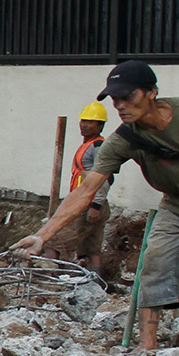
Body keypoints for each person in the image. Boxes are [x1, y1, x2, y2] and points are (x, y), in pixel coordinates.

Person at [13, 60, 179, 350]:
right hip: (177, 207)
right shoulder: (123, 140)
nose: (120, 106)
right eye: (115, 100)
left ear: (151, 93)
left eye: (127, 97)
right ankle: (147, 347)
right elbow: (86, 191)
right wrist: (44, 234)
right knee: (154, 267)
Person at [67, 102, 113, 277]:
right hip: (82, 201)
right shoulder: (88, 145)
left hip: (88, 203)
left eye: (91, 122)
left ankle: (55, 284)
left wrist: (96, 205)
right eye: (83, 121)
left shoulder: (98, 147)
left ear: (101, 125)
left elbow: (104, 177)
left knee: (59, 243)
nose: (84, 125)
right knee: (91, 247)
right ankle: (94, 283)